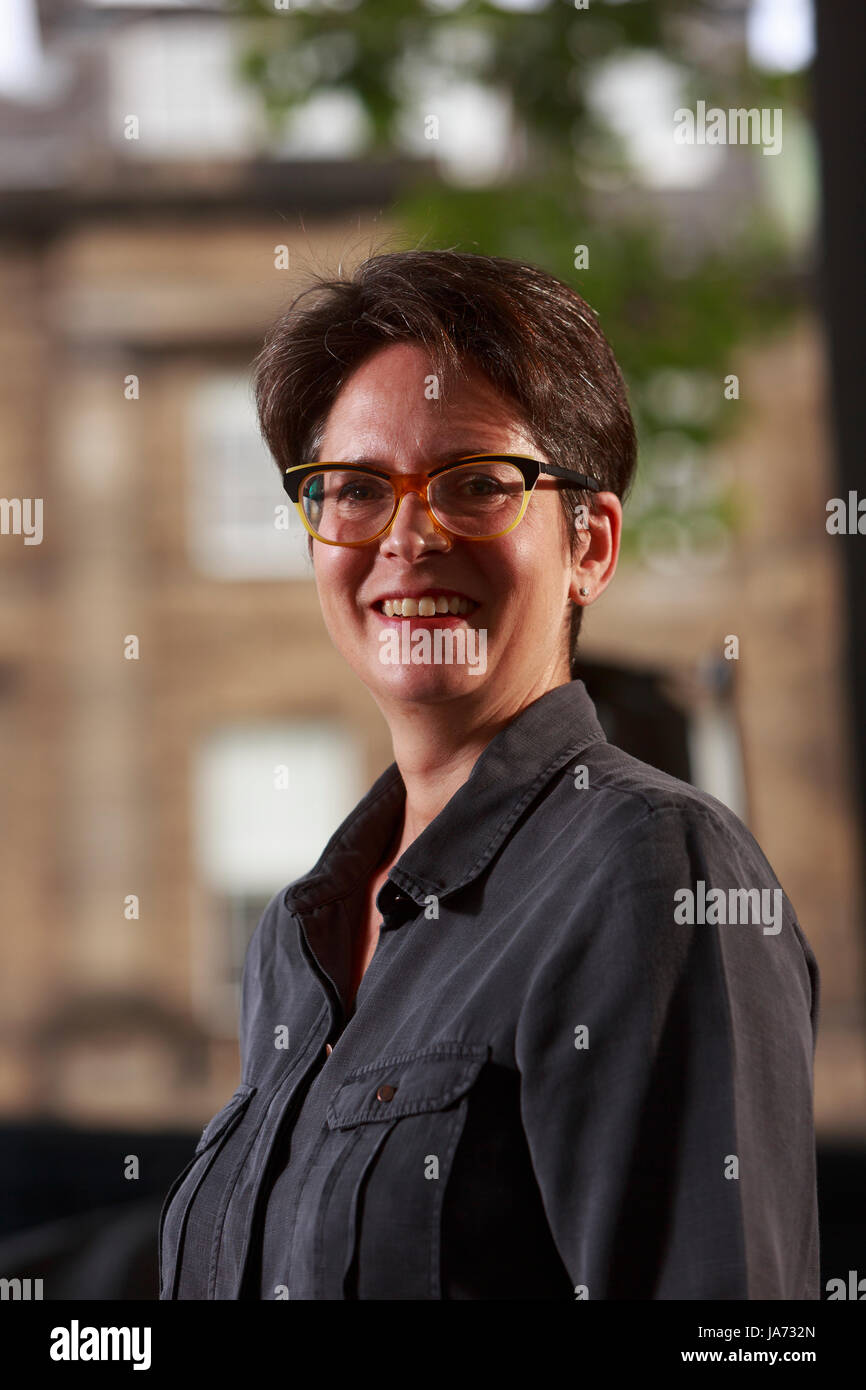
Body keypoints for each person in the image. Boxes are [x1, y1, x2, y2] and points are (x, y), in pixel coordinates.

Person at [159, 250, 820, 1300]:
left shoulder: (650, 871)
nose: (408, 536)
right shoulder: (297, 937)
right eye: (355, 491)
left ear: (589, 545)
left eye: (476, 485)